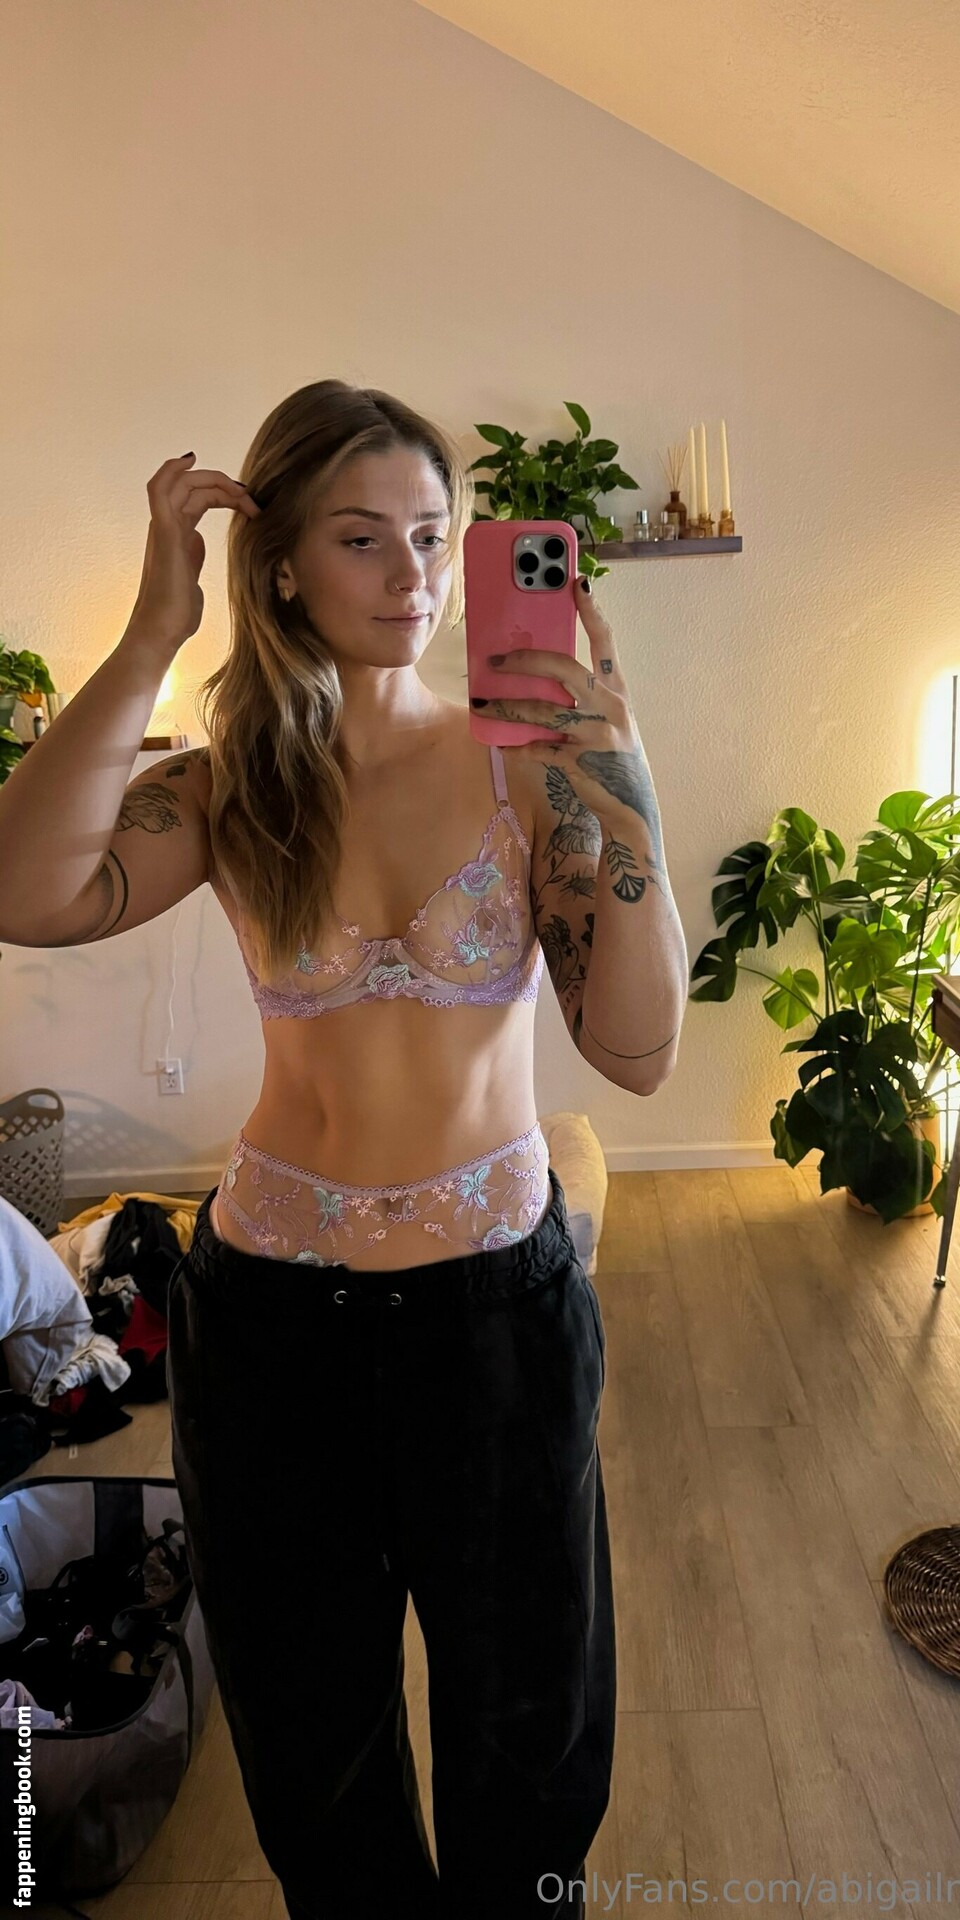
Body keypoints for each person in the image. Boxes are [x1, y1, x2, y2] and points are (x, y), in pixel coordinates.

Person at [0, 381, 686, 1917]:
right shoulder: (234, 781)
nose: (414, 574)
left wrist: (622, 778)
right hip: (271, 1329)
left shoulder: (527, 768)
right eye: (362, 537)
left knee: (531, 1738)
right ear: (284, 564)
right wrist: (154, 631)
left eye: (434, 536)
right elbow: (25, 890)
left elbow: (639, 1055)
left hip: (494, 1317)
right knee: (314, 1749)